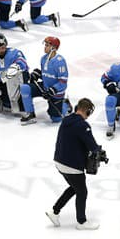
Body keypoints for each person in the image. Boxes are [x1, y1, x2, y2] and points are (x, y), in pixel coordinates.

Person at [46, 98, 101, 230]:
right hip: (72, 165)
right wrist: (99, 152)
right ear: (87, 111)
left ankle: (54, 211)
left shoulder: (66, 120)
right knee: (82, 192)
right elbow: (93, 146)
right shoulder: (83, 126)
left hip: (59, 162)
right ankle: (82, 222)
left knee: (75, 188)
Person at [20, 36, 70, 124]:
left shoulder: (60, 62)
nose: (45, 47)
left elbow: (63, 82)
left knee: (56, 119)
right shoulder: (43, 59)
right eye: (45, 45)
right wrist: (37, 74)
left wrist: (53, 90)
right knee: (25, 88)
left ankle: (65, 105)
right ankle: (30, 114)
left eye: (47, 45)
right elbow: (46, 74)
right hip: (45, 86)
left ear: (53, 48)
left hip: (56, 92)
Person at [0, 33, 30, 114]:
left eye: (3, 46)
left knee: (21, 107)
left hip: (19, 81)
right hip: (5, 82)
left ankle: (19, 99)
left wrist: (7, 75)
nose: (1, 49)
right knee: (6, 104)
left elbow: (23, 65)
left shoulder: (15, 53)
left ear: (6, 44)